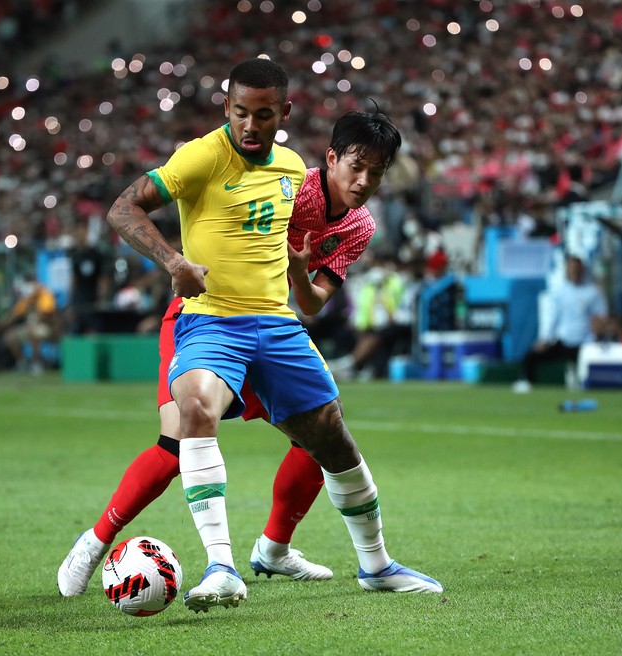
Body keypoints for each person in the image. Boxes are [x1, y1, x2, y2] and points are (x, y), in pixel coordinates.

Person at [101, 57, 442, 613]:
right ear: (330, 160)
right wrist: (179, 261)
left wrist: (297, 267)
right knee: (186, 422)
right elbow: (221, 220)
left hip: (276, 322)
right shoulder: (294, 185)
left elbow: (311, 303)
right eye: (356, 167)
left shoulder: (358, 225)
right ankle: (209, 562)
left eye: (375, 174)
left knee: (328, 436)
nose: (362, 183)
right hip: (209, 311)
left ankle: (362, 563)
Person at [513, 254, 608, 392]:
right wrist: (545, 339)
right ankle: (527, 382)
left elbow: (600, 318)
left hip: (585, 342)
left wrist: (596, 337)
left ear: (582, 271)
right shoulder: (560, 292)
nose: (574, 272)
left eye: (577, 269)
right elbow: (553, 318)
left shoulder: (593, 292)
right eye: (571, 269)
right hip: (564, 340)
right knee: (531, 355)